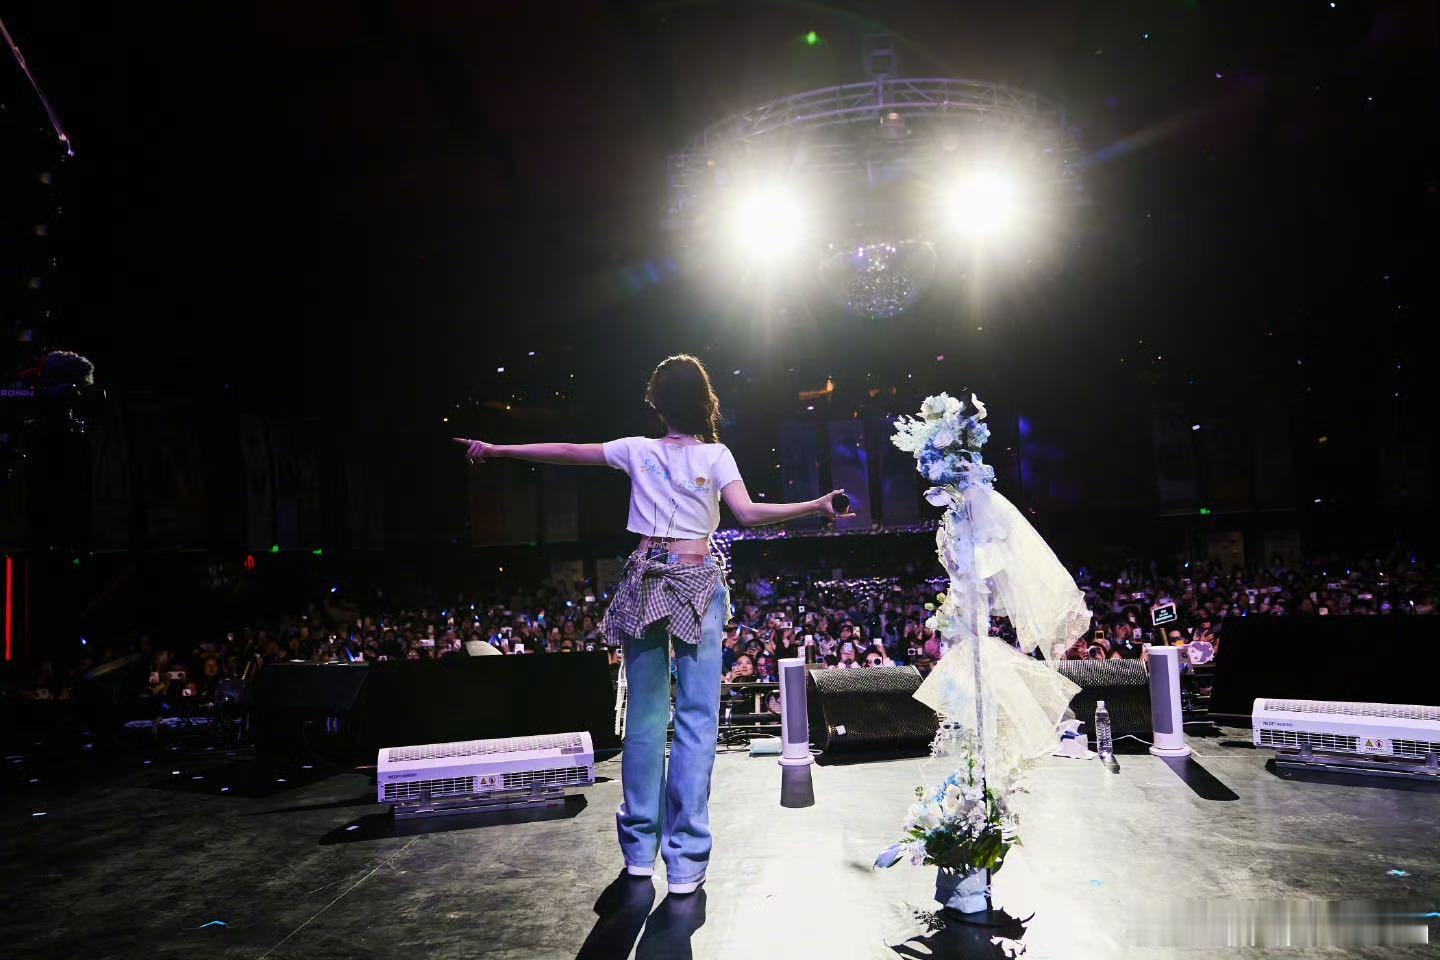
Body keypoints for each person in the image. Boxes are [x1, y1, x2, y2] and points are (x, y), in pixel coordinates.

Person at [455, 353, 851, 896]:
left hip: (644, 577)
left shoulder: (636, 450)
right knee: (696, 719)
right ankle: (685, 861)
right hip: (696, 580)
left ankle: (640, 852)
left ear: (658, 405)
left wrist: (496, 449)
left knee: (644, 720)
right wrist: (816, 505)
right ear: (705, 401)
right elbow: (748, 513)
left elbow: (568, 452)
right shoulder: (715, 455)